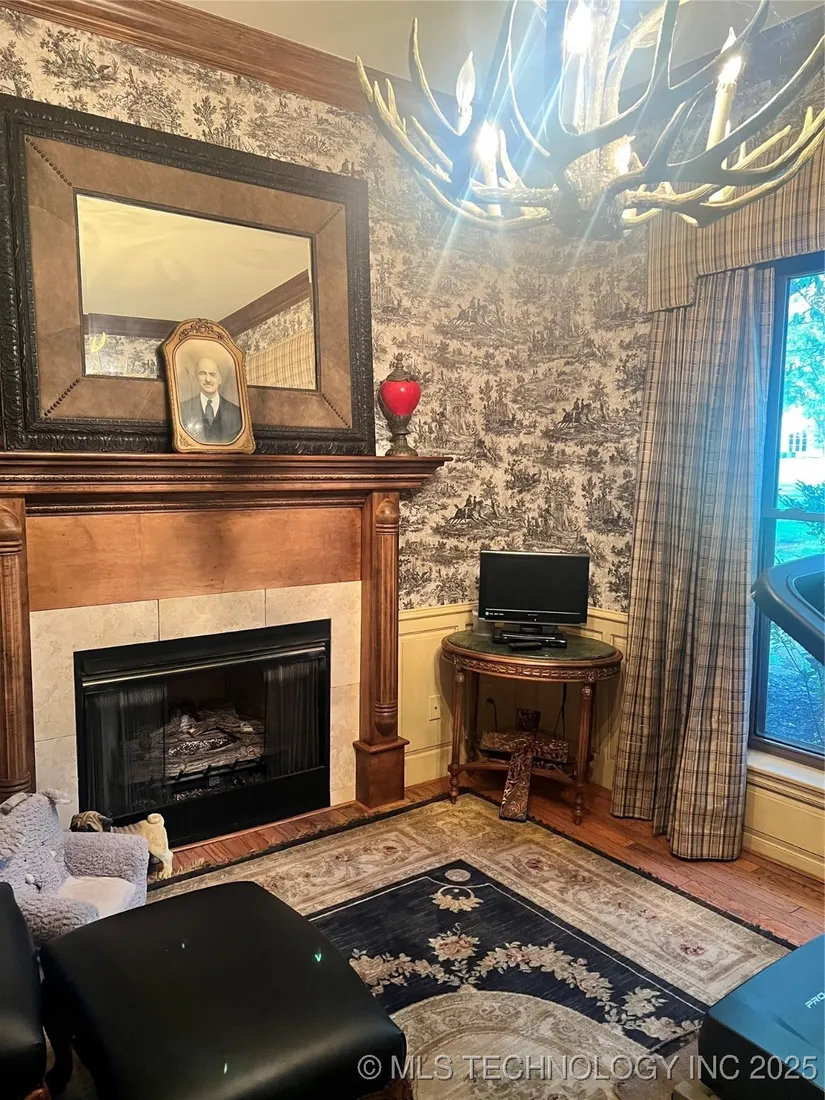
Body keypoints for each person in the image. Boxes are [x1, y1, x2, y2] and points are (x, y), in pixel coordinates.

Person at [179, 357, 242, 444]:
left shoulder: (236, 412)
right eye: (202, 374)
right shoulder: (182, 409)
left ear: (220, 380)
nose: (208, 379)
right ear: (196, 378)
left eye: (212, 374)